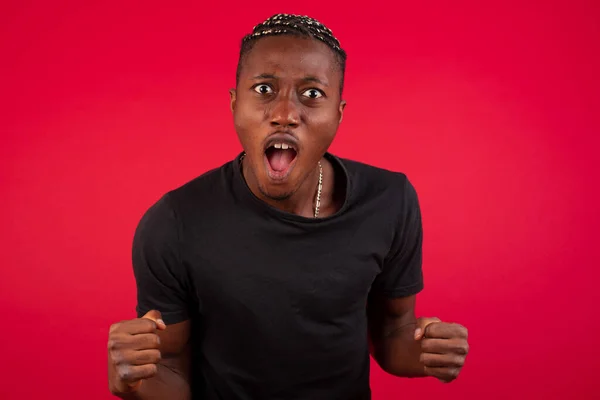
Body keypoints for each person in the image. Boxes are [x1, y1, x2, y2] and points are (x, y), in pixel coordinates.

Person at [107, 13, 470, 400]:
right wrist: (129, 380)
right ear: (234, 104)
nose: (284, 114)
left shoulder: (389, 200)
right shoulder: (175, 223)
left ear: (339, 114)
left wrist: (425, 352)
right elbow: (169, 367)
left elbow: (392, 331)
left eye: (311, 94)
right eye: (264, 89)